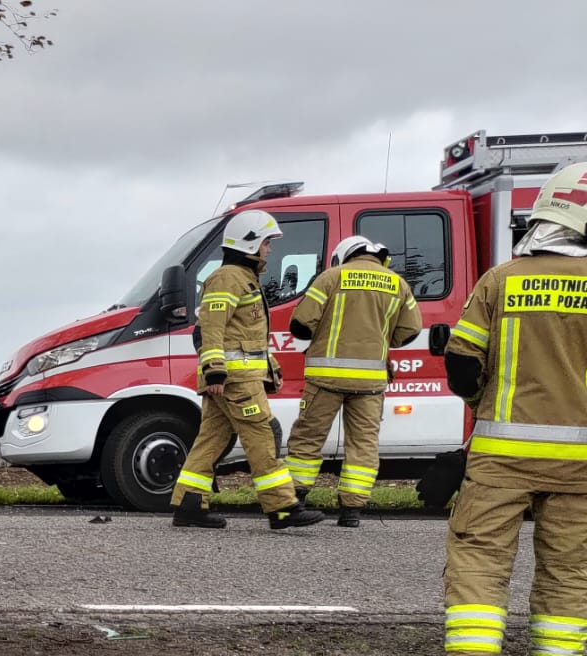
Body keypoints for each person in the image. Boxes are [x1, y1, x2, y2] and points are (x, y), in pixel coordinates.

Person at [410, 162, 587, 656]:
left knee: (480, 558)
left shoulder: (502, 280)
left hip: (502, 459)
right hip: (582, 465)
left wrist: (481, 408)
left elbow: (463, 364)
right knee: (568, 569)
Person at [172, 209, 325, 530]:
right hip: (234, 380)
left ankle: (189, 505)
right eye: (267, 242)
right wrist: (214, 369)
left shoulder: (242, 278)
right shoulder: (228, 278)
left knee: (211, 440)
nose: (270, 249)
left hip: (235, 378)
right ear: (250, 243)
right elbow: (212, 327)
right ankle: (282, 508)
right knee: (263, 434)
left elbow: (244, 335)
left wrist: (270, 368)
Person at [285, 235, 424, 526]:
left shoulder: (331, 277)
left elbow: (301, 324)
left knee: (308, 438)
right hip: (370, 383)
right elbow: (410, 330)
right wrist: (380, 340)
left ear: (343, 255)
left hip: (326, 378)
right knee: (363, 444)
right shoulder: (397, 283)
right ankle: (352, 511)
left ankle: (295, 499)